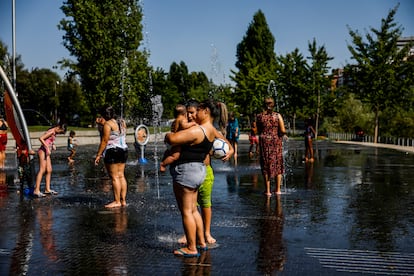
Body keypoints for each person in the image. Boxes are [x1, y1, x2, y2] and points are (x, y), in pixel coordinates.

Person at [165, 99, 222, 258]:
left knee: (187, 211)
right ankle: (201, 242)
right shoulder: (210, 129)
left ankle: (191, 247)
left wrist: (169, 134)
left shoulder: (199, 130)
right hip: (198, 170)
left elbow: (172, 140)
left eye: (199, 110)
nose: (195, 114)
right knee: (193, 210)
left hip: (187, 170)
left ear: (206, 112)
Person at [177, 100, 233, 246]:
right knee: (190, 205)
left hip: (206, 171)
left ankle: (207, 232)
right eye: (187, 113)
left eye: (192, 112)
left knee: (205, 204)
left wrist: (231, 151)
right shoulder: (189, 129)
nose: (189, 115)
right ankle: (190, 233)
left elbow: (227, 143)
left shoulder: (206, 128)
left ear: (200, 112)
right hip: (191, 171)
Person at [95, 106, 128, 208]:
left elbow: (104, 141)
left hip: (113, 151)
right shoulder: (122, 122)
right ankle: (123, 201)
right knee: (121, 175)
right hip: (124, 150)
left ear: (104, 115)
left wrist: (98, 155)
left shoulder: (108, 124)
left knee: (114, 177)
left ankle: (117, 201)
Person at [256, 97, 287, 196]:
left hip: (264, 141)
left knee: (265, 164)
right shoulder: (278, 116)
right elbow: (282, 131)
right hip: (276, 141)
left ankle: (268, 191)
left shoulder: (259, 117)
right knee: (278, 163)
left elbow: (258, 130)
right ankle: (278, 190)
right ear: (273, 105)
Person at [33, 122, 67, 197]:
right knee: (42, 170)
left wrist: (53, 144)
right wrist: (47, 147)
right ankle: (36, 190)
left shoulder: (54, 132)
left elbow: (49, 140)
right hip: (42, 151)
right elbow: (41, 138)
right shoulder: (52, 131)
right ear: (58, 127)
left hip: (46, 152)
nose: (59, 133)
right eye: (60, 132)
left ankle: (47, 189)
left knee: (49, 169)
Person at [160, 104, 196, 172]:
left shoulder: (175, 120)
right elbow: (184, 126)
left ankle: (164, 159)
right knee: (175, 156)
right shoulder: (182, 119)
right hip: (176, 142)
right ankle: (163, 164)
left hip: (171, 141)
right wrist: (193, 124)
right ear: (185, 113)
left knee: (168, 152)